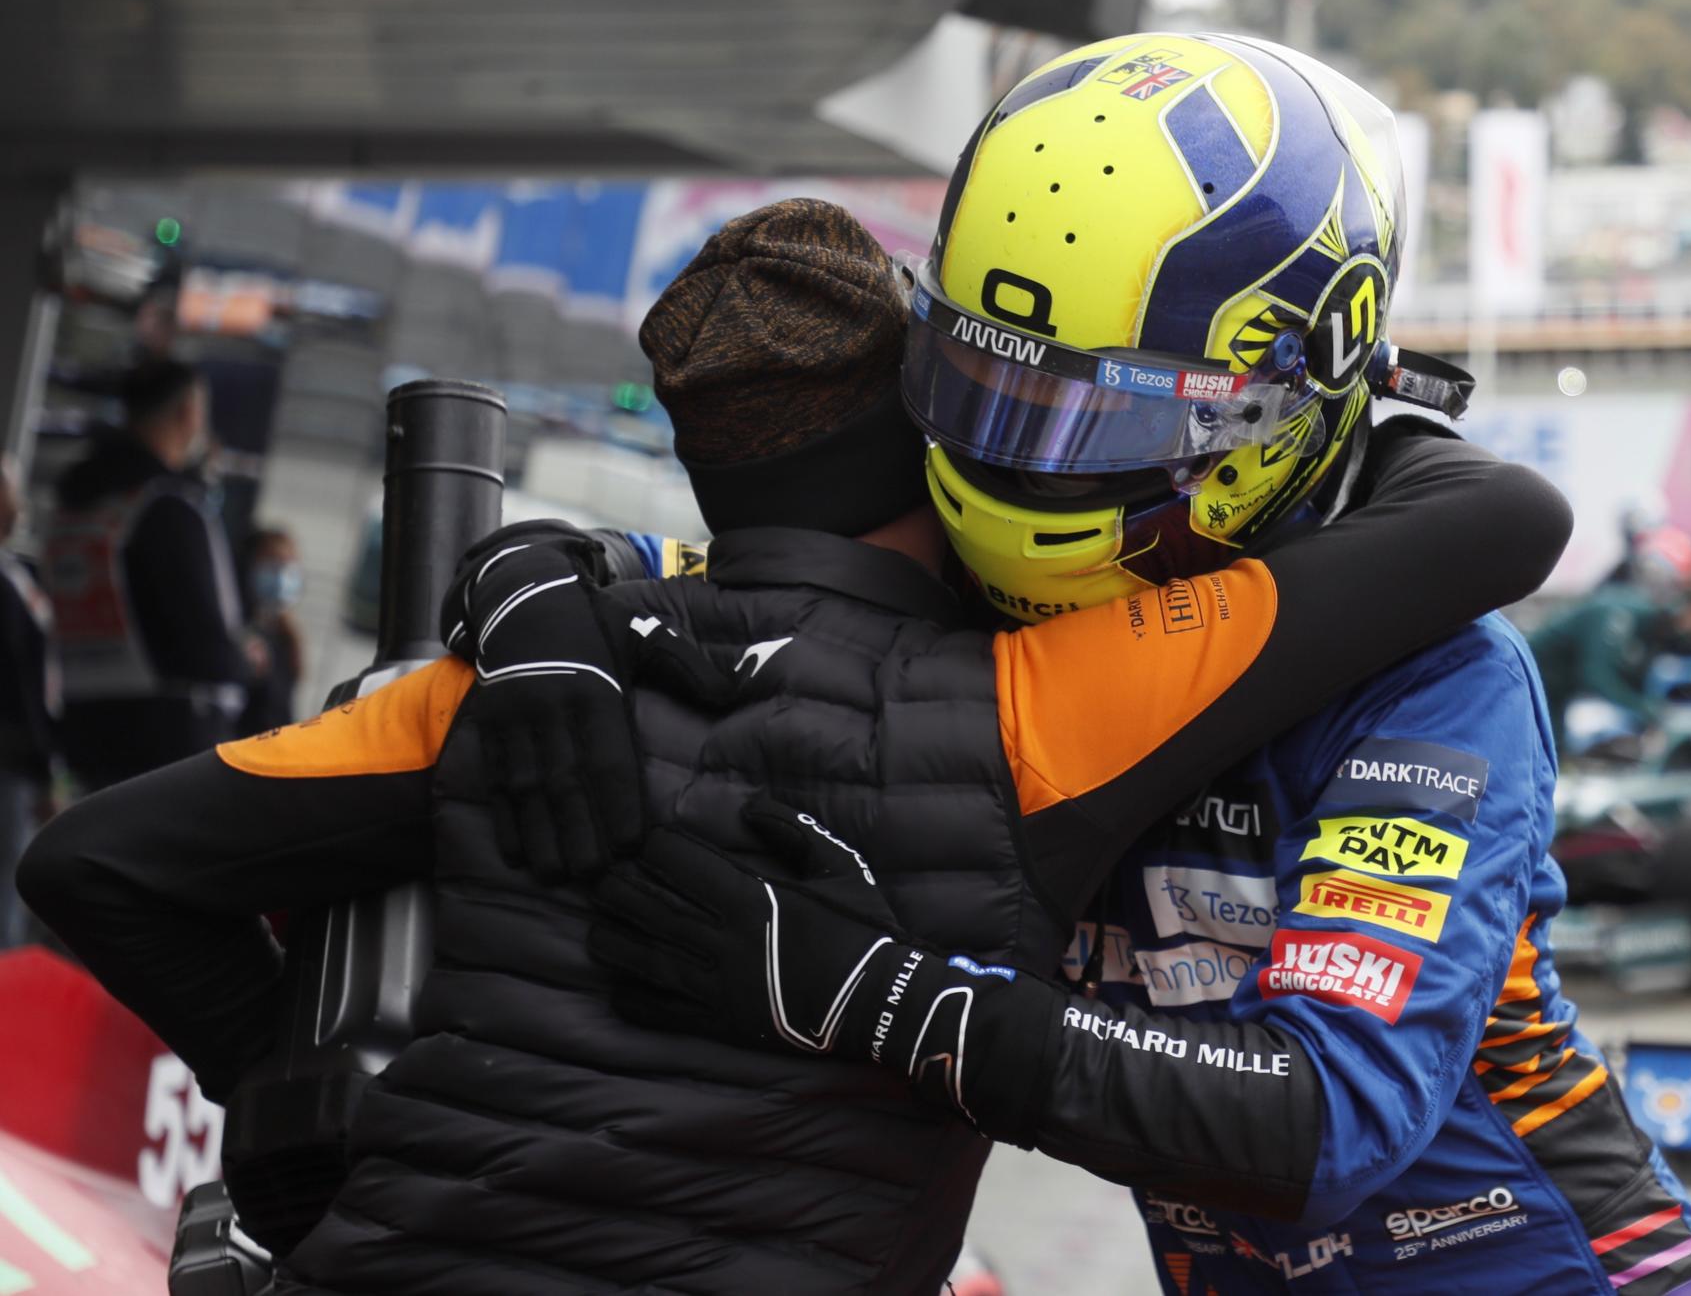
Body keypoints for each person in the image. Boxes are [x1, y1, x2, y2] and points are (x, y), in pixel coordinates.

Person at [20, 190, 1571, 1294]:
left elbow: (94, 861)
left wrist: (305, 1090)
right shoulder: (1044, 697)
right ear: (931, 415)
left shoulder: (521, 682)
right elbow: (1493, 518)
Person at [585, 35, 1691, 1295]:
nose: (1025, 467)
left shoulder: (1434, 675)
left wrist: (884, 998)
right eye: (985, 397)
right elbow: (731, 576)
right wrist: (537, 586)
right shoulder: (981, 597)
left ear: (1292, 389)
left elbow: (1323, 1117)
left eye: (1102, 417)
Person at [42, 358, 249, 788]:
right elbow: (203, 644)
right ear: (189, 412)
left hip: (86, 729)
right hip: (170, 744)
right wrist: (246, 662)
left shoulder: (78, 505)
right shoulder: (168, 508)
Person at [1529, 527, 1691, 755]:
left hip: (1553, 693)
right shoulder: (1618, 612)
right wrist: (1647, 711)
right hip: (1532, 687)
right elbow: (1597, 675)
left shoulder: (1639, 620)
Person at [0, 457, 59, 948]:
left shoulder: (17, 578)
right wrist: (42, 773)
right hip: (9, 766)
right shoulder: (9, 587)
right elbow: (23, 686)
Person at [237, 527, 305, 735]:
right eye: (272, 564)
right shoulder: (239, 629)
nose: (282, 576)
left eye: (288, 565)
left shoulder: (286, 637)